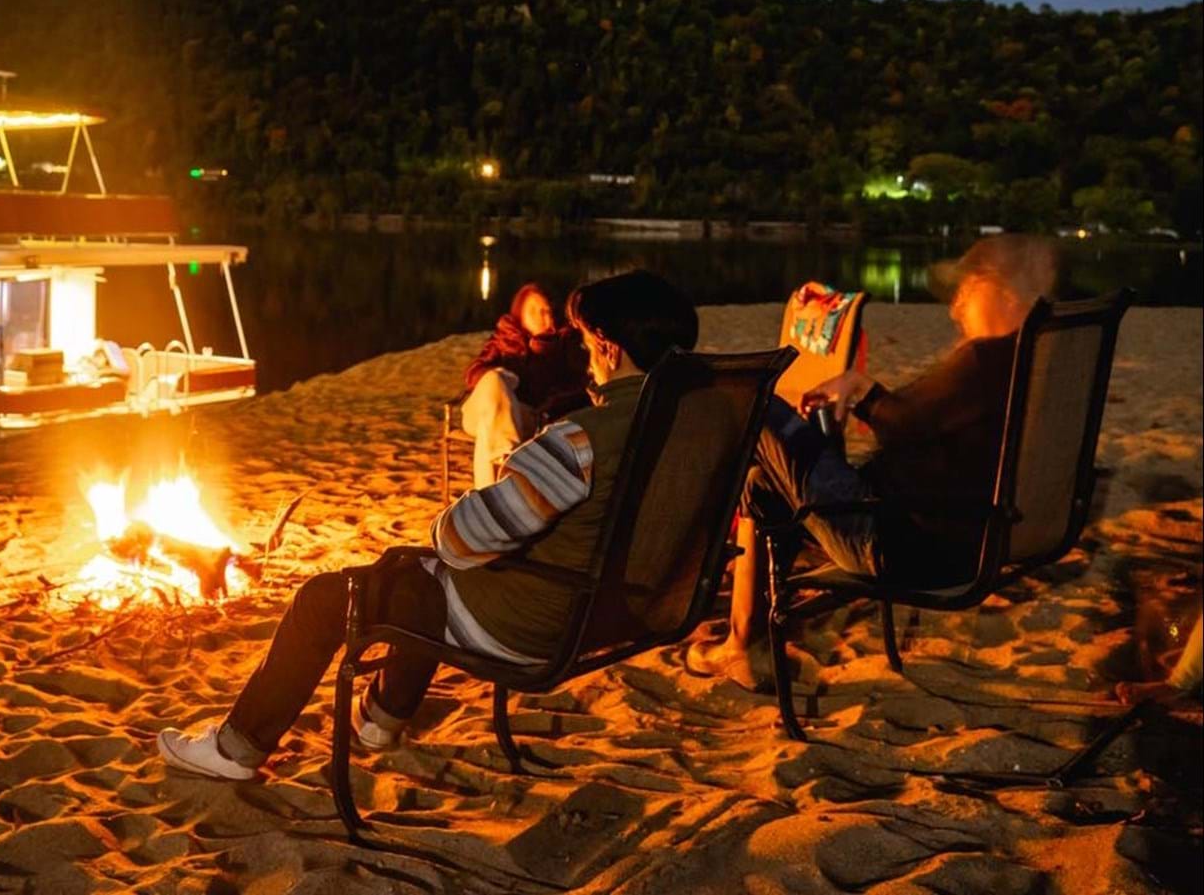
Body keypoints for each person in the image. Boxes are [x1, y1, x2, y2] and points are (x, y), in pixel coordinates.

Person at [157, 271, 699, 779]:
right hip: (624, 613)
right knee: (418, 578)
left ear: (608, 347)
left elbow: (463, 537)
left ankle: (236, 749)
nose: (582, 356)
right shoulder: (694, 428)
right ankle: (381, 717)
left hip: (533, 624)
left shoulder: (583, 438)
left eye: (583, 341)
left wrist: (466, 512)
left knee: (326, 598)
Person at [688, 234, 1061, 689]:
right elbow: (920, 422)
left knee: (758, 403)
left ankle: (709, 576)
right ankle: (746, 641)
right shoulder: (1037, 364)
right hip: (970, 539)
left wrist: (860, 390)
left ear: (1001, 291)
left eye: (967, 290)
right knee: (763, 480)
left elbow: (902, 423)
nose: (956, 307)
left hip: (897, 541)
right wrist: (861, 396)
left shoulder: (987, 360)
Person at [459, 282, 592, 490]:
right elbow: (473, 372)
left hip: (524, 415)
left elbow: (578, 384)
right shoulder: (503, 338)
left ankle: (491, 489)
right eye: (534, 311)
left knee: (490, 429)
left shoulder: (563, 343)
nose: (543, 317)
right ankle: (507, 461)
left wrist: (551, 400)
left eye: (546, 311)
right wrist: (501, 380)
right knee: (494, 380)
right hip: (480, 409)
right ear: (520, 314)